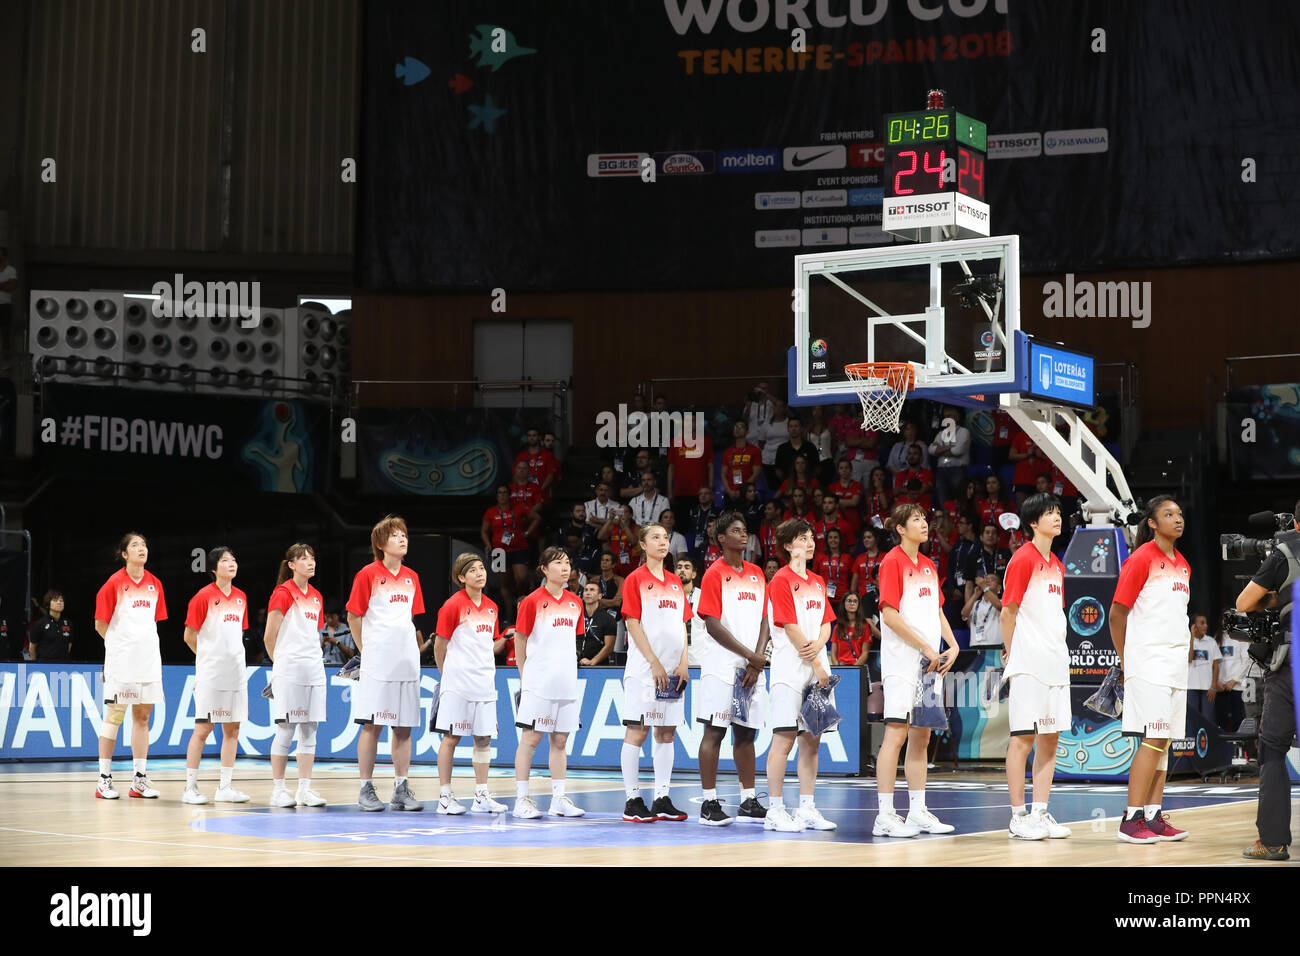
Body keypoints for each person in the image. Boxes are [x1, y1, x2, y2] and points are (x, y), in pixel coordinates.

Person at [873, 504, 961, 837]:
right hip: (901, 663)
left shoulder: (927, 565)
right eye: (916, 520)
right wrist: (925, 646)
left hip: (930, 664)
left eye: (925, 518)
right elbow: (890, 615)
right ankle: (884, 814)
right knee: (896, 734)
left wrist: (951, 644)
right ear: (899, 528)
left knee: (921, 735)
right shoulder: (892, 561)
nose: (924, 524)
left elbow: (938, 611)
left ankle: (918, 810)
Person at [1110, 495, 1191, 844]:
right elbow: (1116, 613)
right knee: (1153, 738)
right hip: (1148, 662)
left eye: (1180, 513)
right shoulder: (1141, 558)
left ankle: (1154, 815)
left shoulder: (1184, 564)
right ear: (1153, 523)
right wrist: (1126, 661)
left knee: (1166, 740)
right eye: (1169, 514)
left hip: (1175, 665)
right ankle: (1131, 818)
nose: (1178, 519)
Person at [1000, 494, 1072, 840]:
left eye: (1058, 512)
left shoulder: (1057, 564)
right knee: (1022, 739)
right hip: (1029, 663)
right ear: (1033, 522)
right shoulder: (1023, 559)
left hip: (1055, 661)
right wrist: (1012, 653)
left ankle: (1040, 812)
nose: (1056, 517)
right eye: (1049, 513)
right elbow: (1008, 610)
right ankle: (1018, 816)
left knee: (1050, 738)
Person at [694, 510, 771, 826]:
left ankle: (748, 800)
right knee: (714, 732)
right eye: (736, 531)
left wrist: (757, 656)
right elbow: (712, 624)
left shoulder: (757, 573)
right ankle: (709, 803)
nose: (744, 534)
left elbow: (765, 619)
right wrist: (749, 656)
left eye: (745, 530)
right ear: (721, 538)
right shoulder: (714, 573)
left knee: (746, 734)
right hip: (722, 666)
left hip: (752, 665)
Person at [347, 516, 427, 812]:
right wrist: (366, 650)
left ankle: (401, 788)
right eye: (395, 536)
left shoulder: (412, 577)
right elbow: (353, 616)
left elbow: (410, 619)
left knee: (403, 727)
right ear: (380, 544)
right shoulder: (367, 574)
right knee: (372, 725)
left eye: (404, 534)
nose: (403, 539)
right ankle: (365, 788)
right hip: (377, 662)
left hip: (406, 660)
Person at [1232, 500, 1298, 861]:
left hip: (1292, 665)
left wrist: (1275, 600)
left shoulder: (1286, 551)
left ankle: (1272, 842)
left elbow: (1244, 602)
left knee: (1272, 748)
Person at [763, 519, 838, 832]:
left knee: (812, 741)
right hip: (789, 672)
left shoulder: (819, 581)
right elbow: (789, 626)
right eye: (802, 539)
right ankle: (775, 810)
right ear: (787, 545)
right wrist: (818, 663)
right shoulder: (780, 579)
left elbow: (826, 621)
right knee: (784, 740)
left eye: (811, 538)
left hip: (817, 668)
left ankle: (807, 806)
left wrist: (820, 648)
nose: (810, 543)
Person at [619, 524, 692, 823]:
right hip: (644, 669)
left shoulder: (676, 582)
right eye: (656, 538)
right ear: (642, 544)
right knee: (639, 731)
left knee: (667, 732)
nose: (663, 542)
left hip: (674, 671)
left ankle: (661, 798)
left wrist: (684, 662)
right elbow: (632, 623)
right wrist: (654, 661)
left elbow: (682, 626)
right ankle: (632, 800)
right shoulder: (635, 579)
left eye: (665, 537)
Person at [513, 547, 586, 818]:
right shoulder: (532, 601)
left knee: (560, 741)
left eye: (567, 562)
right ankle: (522, 799)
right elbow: (520, 639)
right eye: (558, 563)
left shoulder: (575, 602)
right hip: (538, 682)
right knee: (530, 740)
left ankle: (559, 799)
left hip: (566, 682)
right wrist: (525, 676)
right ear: (544, 569)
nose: (565, 567)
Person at [433, 553, 508, 815]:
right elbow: (440, 644)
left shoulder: (492, 607)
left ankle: (481, 795)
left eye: (482, 569)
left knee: (483, 740)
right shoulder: (452, 605)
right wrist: (447, 676)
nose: (480, 573)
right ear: (461, 577)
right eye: (472, 570)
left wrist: (507, 638)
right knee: (451, 738)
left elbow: (493, 644)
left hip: (485, 683)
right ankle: (445, 797)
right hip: (458, 684)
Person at [93, 532, 166, 800]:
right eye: (135, 545)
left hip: (148, 661)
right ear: (124, 554)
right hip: (121, 663)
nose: (141, 548)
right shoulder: (113, 583)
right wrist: (119, 647)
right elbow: (101, 624)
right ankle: (104, 779)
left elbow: (152, 623)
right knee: (114, 716)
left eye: (144, 544)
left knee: (143, 718)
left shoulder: (155, 584)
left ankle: (139, 779)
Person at [182, 547, 251, 805]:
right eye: (225, 561)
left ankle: (225, 787)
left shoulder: (242, 597)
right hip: (211, 675)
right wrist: (208, 657)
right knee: (203, 729)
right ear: (213, 568)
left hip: (236, 675)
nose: (231, 564)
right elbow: (189, 636)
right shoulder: (203, 597)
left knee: (232, 729)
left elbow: (236, 636)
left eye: (233, 560)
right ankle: (190, 788)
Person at [263, 543, 328, 807]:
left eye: (312, 558)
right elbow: (269, 636)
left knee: (310, 730)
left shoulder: (316, 596)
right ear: (291, 565)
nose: (310, 562)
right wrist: (281, 665)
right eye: (303, 559)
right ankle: (278, 790)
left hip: (314, 669)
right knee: (286, 730)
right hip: (289, 669)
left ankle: (304, 789)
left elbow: (315, 634)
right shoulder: (283, 593)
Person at [483, 483, 532, 616]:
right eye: (500, 492)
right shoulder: (491, 512)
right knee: (504, 584)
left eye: (505, 492)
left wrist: (527, 532)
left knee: (521, 577)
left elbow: (536, 518)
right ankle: (510, 614)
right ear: (496, 496)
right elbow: (484, 531)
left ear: (509, 495)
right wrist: (488, 544)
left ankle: (520, 597)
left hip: (519, 548)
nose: (503, 495)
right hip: (499, 551)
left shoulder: (518, 508)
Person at [667, 428, 715, 520]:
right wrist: (670, 491)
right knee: (681, 525)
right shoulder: (676, 441)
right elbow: (671, 467)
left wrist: (711, 488)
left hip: (700, 492)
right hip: (680, 491)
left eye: (693, 420)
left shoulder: (706, 441)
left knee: (701, 524)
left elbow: (710, 466)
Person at [928, 406, 971, 506]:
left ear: (956, 417)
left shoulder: (963, 432)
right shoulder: (941, 433)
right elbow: (931, 450)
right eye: (945, 416)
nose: (946, 418)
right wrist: (949, 447)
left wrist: (940, 449)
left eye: (949, 416)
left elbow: (958, 451)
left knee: (959, 497)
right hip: (941, 470)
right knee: (942, 498)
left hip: (958, 469)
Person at [1214, 622, 1251, 732]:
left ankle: (1238, 747)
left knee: (1238, 720)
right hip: (1221, 688)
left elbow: (1246, 661)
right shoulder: (1217, 638)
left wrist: (1234, 680)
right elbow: (1213, 663)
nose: (1226, 622)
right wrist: (1217, 682)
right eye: (1224, 619)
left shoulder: (1241, 638)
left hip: (1237, 688)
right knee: (1220, 721)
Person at [1185, 613, 1220, 730]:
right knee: (1192, 719)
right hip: (1191, 686)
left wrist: (1214, 686)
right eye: (1202, 623)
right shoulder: (1186, 641)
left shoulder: (1211, 642)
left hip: (1207, 688)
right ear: (1194, 626)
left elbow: (1216, 665)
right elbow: (1189, 659)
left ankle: (1208, 746)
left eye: (1206, 623)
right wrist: (1191, 637)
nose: (1205, 626)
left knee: (1208, 719)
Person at [578, 580, 619, 665]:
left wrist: (592, 662)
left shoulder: (608, 619)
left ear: (600, 596)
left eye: (592, 590)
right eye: (586, 590)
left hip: (598, 667)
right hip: (575, 665)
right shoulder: (576, 617)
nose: (588, 593)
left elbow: (609, 647)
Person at [721, 421, 763, 505]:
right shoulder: (727, 451)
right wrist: (729, 491)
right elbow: (723, 474)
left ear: (747, 432)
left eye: (741, 427)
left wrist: (742, 491)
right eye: (736, 427)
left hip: (747, 494)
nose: (737, 429)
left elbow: (756, 474)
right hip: (730, 493)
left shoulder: (755, 450)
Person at [515, 427, 560, 504]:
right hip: (524, 498)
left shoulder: (548, 455)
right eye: (529, 436)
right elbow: (515, 475)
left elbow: (550, 476)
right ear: (527, 438)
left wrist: (538, 492)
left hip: (543, 497)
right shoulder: (521, 456)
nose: (532, 438)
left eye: (534, 435)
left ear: (539, 437)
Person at [832, 591, 875, 666]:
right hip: (840, 667)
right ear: (844, 604)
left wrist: (853, 670)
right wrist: (838, 668)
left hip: (857, 667)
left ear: (858, 605)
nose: (852, 603)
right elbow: (833, 654)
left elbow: (865, 653)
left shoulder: (865, 626)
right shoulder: (837, 627)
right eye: (849, 601)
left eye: (855, 601)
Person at [29, 590, 73, 661]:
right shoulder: (40, 624)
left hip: (63, 667)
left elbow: (69, 646)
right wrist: (36, 665)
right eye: (55, 600)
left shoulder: (68, 623)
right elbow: (32, 648)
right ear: (48, 604)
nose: (59, 602)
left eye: (61, 600)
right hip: (44, 666)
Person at [815, 528, 851, 607]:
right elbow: (815, 577)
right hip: (823, 597)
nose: (833, 540)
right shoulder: (820, 557)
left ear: (840, 540)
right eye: (830, 537)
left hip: (842, 597)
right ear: (827, 540)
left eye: (835, 537)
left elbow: (851, 578)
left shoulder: (847, 557)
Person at [850, 526, 886, 599]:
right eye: (864, 538)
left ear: (876, 539)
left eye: (869, 537)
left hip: (882, 596)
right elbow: (854, 583)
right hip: (863, 598)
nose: (866, 540)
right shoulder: (859, 558)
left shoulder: (885, 557)